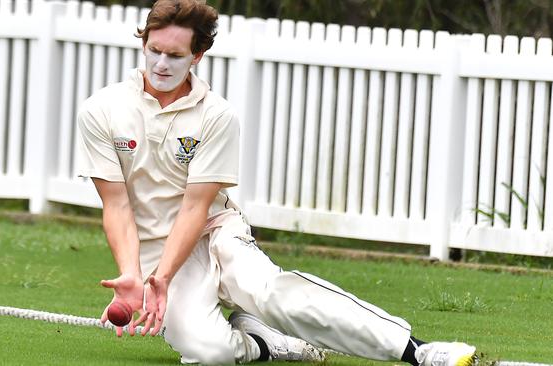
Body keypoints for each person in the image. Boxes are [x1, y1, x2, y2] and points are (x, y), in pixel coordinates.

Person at [76, 0, 478, 365]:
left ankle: (418, 351)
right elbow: (118, 205)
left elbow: (196, 207)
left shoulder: (217, 116)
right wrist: (133, 273)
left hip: (215, 232)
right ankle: (265, 343)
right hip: (155, 250)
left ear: (198, 56)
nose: (161, 64)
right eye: (154, 51)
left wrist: (160, 279)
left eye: (175, 56)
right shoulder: (102, 110)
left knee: (270, 292)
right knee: (209, 353)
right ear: (143, 44)